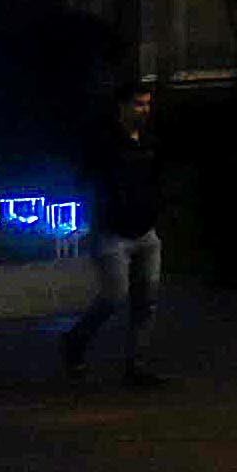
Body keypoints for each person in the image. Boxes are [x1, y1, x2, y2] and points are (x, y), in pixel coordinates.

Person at [62, 84, 169, 387]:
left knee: (146, 300)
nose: (144, 110)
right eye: (138, 104)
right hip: (112, 232)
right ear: (122, 107)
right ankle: (76, 340)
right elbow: (87, 178)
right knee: (114, 296)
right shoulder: (105, 143)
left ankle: (137, 365)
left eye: (147, 104)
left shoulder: (149, 142)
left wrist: (154, 207)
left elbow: (156, 178)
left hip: (144, 230)